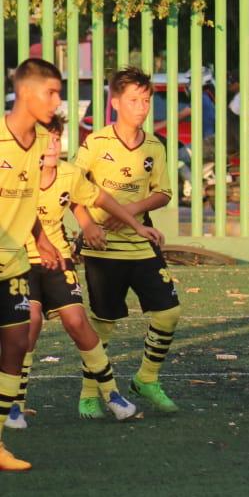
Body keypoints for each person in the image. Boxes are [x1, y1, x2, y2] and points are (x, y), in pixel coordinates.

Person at [13, 118, 157, 427]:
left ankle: (112, 396)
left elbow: (100, 199)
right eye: (43, 138)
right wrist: (40, 240)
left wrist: (137, 225)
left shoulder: (69, 174)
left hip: (58, 259)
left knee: (77, 320)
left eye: (55, 138)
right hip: (19, 260)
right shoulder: (19, 172)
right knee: (31, 321)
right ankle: (15, 403)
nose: (51, 144)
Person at [73, 67, 181, 416]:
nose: (142, 107)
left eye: (147, 100)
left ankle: (146, 378)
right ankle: (90, 393)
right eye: (134, 100)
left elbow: (163, 193)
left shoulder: (154, 146)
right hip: (103, 248)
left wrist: (129, 210)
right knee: (103, 323)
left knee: (169, 311)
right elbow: (71, 187)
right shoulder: (95, 143)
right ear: (115, 102)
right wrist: (88, 224)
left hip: (139, 242)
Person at [0, 60, 67, 470]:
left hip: (14, 264)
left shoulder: (42, 141)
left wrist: (41, 237)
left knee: (15, 346)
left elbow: (29, 199)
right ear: (26, 92)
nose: (57, 101)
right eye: (52, 92)